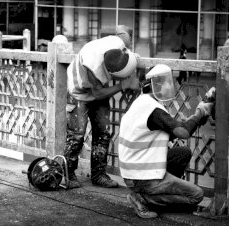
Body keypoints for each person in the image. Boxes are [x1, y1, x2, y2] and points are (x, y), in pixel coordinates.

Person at [118, 64, 214, 218]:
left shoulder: (142, 102)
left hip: (134, 170)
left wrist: (194, 119)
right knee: (196, 195)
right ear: (155, 86)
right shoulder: (154, 109)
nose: (171, 85)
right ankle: (144, 199)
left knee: (182, 153)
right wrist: (200, 112)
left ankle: (155, 192)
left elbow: (171, 132)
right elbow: (182, 132)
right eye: (167, 82)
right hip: (142, 175)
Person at [64, 31, 141, 189]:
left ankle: (99, 175)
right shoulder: (92, 65)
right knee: (77, 135)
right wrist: (123, 85)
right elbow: (97, 94)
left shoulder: (118, 44)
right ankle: (68, 173)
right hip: (80, 93)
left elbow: (124, 34)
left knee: (103, 133)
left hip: (101, 89)